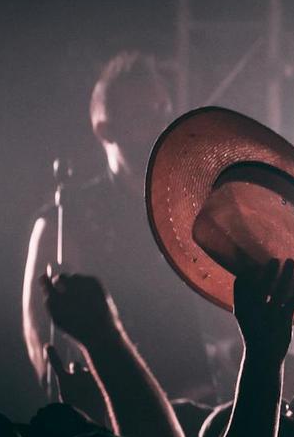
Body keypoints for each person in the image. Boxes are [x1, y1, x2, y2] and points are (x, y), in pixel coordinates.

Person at [21, 53, 235, 401]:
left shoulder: (194, 210)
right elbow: (41, 338)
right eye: (142, 114)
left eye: (163, 111)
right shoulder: (65, 217)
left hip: (197, 410)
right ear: (105, 128)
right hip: (116, 418)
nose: (159, 123)